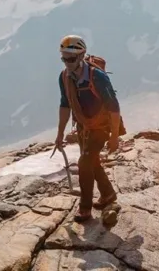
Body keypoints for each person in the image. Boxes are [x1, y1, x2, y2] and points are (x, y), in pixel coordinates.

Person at [55, 35, 121, 223]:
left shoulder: (97, 77)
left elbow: (113, 107)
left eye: (70, 58)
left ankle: (85, 208)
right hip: (84, 127)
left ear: (81, 55)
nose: (67, 62)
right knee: (92, 161)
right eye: (63, 58)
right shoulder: (65, 77)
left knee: (85, 162)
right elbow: (65, 105)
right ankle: (108, 194)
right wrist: (59, 134)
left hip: (102, 127)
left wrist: (114, 137)